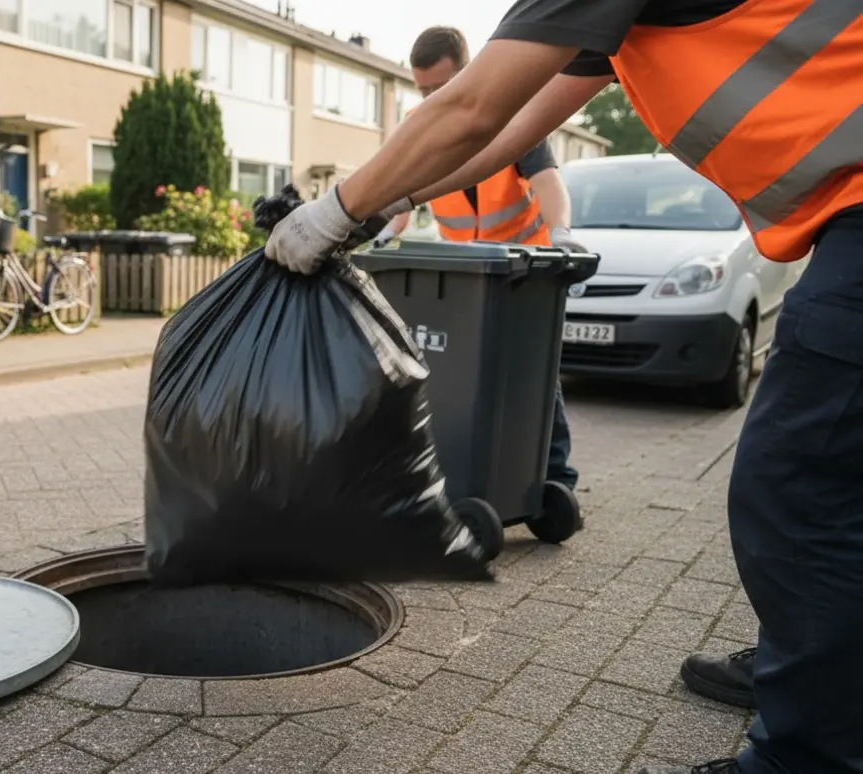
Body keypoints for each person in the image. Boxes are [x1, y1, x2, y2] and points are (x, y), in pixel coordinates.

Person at [263, 1, 863, 773]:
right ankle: (817, 671)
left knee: (795, 488)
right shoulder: (609, 30)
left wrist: (333, 213)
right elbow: (503, 128)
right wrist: (391, 201)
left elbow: (474, 106)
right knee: (833, 481)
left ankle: (807, 746)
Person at [376, 25, 581, 494]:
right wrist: (382, 235)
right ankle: (471, 464)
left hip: (523, 269)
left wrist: (564, 234)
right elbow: (398, 201)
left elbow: (548, 182)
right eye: (422, 89)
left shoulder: (513, 119)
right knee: (462, 369)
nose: (430, 99)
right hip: (465, 275)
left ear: (467, 75)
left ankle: (555, 477)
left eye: (441, 88)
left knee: (534, 370)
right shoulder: (419, 126)